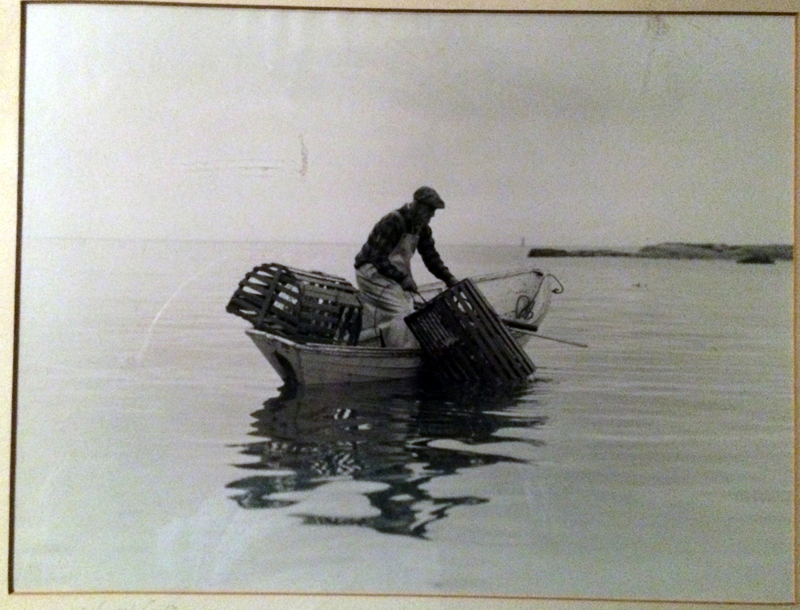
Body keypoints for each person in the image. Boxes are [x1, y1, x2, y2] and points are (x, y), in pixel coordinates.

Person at [354, 186, 459, 348]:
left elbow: (431, 258)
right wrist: (403, 279)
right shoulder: (393, 221)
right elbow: (377, 258)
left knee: (410, 309)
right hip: (371, 273)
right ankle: (399, 354)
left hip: (392, 275)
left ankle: (402, 348)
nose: (432, 215)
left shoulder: (422, 229)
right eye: (430, 210)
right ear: (418, 205)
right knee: (400, 311)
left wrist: (449, 278)